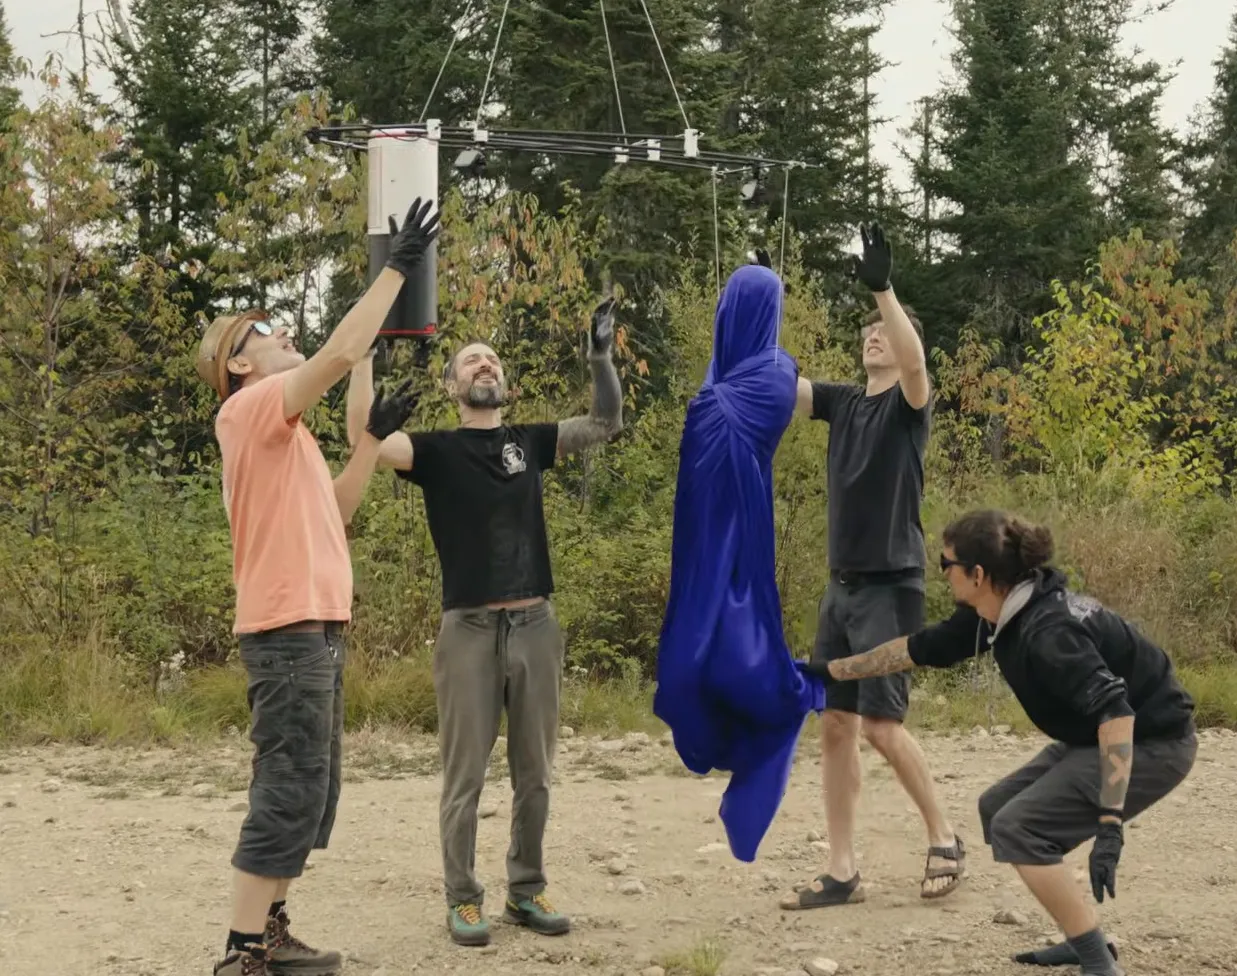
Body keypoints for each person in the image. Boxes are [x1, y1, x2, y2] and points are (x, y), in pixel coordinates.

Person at [196, 198, 440, 976]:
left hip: (316, 628)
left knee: (313, 790)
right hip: (287, 629)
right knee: (288, 783)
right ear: (238, 362)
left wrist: (367, 442)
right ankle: (241, 953)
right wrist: (396, 267)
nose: (281, 335)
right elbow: (338, 353)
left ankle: (269, 930)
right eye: (265, 332)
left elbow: (333, 513)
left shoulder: (285, 433)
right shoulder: (249, 408)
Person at [807, 509, 1197, 976]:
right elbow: (915, 648)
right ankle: (1081, 933)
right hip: (1093, 737)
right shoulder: (996, 613)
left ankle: (1096, 961)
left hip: (1153, 743)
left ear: (977, 575)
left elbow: (1117, 714)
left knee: (1020, 828)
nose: (942, 573)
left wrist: (1110, 823)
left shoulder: (1047, 631)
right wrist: (829, 671)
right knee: (999, 808)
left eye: (946, 564)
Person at [344, 296, 623, 947]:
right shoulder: (434, 452)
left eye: (491, 358)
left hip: (536, 625)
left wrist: (601, 356)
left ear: (504, 384)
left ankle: (526, 890)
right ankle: (462, 897)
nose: (483, 364)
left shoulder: (530, 441)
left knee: (536, 772)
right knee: (464, 773)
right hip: (467, 629)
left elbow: (606, 422)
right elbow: (365, 437)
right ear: (452, 386)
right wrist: (361, 362)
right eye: (470, 360)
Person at [779, 224, 963, 910]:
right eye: (866, 333)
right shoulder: (843, 402)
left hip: (891, 586)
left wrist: (884, 288)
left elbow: (916, 367)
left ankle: (944, 837)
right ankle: (841, 870)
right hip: (841, 589)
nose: (872, 338)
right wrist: (761, 298)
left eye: (882, 331)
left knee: (883, 728)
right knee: (834, 725)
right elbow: (778, 383)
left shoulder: (907, 408)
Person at [654, 262, 825, 863]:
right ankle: (721, 718)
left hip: (739, 527)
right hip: (704, 526)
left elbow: (719, 406)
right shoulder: (730, 377)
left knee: (737, 641)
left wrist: (710, 396)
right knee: (690, 652)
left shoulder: (776, 373)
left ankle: (767, 717)